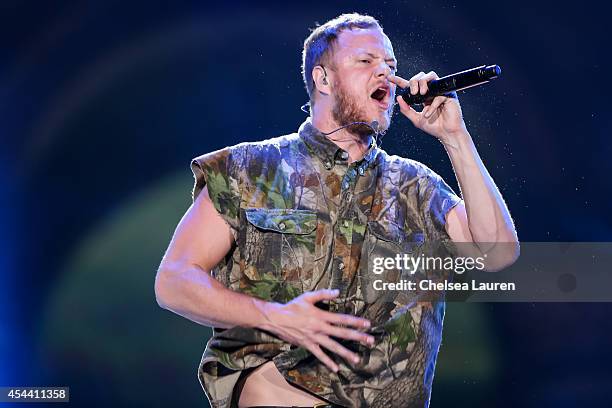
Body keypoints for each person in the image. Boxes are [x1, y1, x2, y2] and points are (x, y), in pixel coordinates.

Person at [154, 13, 518, 408]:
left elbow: (497, 254)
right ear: (323, 79)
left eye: (391, 66)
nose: (384, 72)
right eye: (366, 61)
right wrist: (273, 316)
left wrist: (455, 137)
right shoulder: (250, 170)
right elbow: (174, 279)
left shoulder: (415, 186)